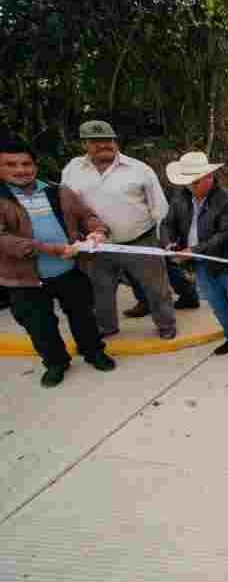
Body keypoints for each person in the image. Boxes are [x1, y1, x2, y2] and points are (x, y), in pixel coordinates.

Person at [0, 142, 115, 387]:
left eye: (26, 163)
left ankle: (94, 352)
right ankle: (56, 363)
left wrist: (98, 232)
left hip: (69, 270)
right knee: (40, 325)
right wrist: (50, 249)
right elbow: (4, 240)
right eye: (11, 164)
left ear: (35, 165)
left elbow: (88, 216)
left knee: (83, 315)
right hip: (25, 279)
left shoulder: (58, 191)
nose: (21, 170)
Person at [61, 120, 177, 339]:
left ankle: (166, 325)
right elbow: (67, 205)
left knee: (156, 289)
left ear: (115, 141)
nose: (103, 145)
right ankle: (106, 327)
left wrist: (164, 240)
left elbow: (160, 208)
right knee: (100, 291)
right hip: (96, 246)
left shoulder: (139, 169)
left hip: (140, 241)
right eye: (96, 142)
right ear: (85, 144)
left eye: (108, 140)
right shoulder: (72, 169)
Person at [164, 152, 228, 356]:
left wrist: (194, 251)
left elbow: (224, 235)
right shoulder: (180, 197)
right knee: (216, 303)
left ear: (209, 177)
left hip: (225, 259)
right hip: (198, 262)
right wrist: (170, 243)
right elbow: (168, 223)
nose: (191, 186)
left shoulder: (227, 200)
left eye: (195, 182)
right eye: (187, 182)